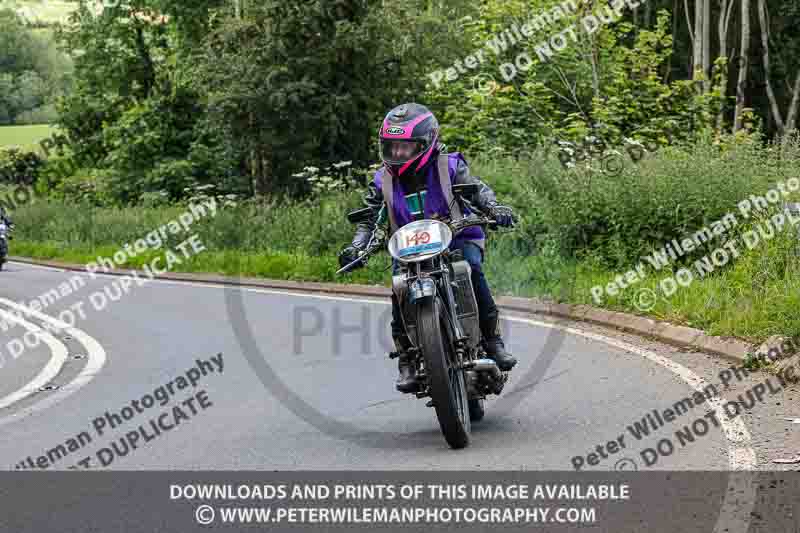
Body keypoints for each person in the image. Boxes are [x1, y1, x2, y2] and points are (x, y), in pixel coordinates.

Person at [338, 103, 517, 392]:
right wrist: (358, 245)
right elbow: (369, 217)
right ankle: (407, 357)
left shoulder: (450, 165)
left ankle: (493, 341)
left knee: (470, 269)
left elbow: (478, 189)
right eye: (391, 147)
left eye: (405, 147)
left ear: (425, 143)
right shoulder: (382, 179)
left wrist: (494, 208)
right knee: (399, 288)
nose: (397, 154)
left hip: (457, 236)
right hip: (408, 247)